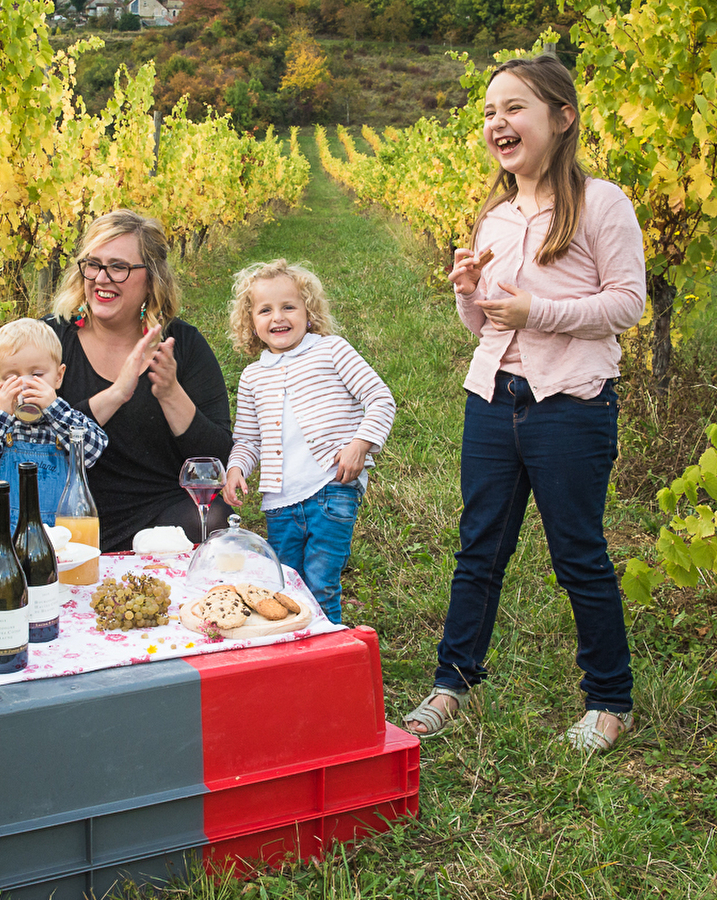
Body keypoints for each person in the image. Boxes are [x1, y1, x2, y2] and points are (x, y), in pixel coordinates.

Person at [401, 56, 646, 752]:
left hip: (569, 403)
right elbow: (484, 326)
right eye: (487, 112)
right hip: (492, 397)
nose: (497, 123)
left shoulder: (601, 203)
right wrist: (464, 291)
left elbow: (627, 303)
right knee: (478, 548)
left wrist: (534, 309)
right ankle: (453, 681)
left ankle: (609, 698)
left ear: (561, 118)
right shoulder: (495, 215)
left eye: (514, 108)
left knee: (577, 554)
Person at [46, 209, 235, 551]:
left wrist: (170, 392)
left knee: (213, 520)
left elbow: (215, 461)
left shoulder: (184, 345)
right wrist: (117, 393)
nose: (102, 278)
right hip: (68, 512)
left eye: (119, 267)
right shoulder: (51, 340)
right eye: (93, 264)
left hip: (160, 515)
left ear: (152, 278)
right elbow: (37, 442)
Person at [221, 260, 395, 625]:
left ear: (308, 311)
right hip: (280, 502)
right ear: (251, 321)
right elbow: (249, 438)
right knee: (285, 586)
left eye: (289, 306)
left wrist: (361, 444)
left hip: (332, 487)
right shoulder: (252, 377)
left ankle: (328, 649)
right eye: (265, 310)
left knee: (320, 582)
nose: (278, 317)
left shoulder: (332, 351)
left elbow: (380, 398)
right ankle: (296, 653)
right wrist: (237, 467)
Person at [0, 318, 108, 564]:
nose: (25, 384)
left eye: (37, 375)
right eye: (12, 377)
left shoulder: (65, 422)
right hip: (0, 537)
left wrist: (53, 407)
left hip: (59, 540)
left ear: (58, 378)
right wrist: (1, 413)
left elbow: (93, 451)